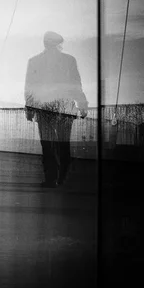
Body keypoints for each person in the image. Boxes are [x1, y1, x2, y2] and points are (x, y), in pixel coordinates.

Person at [24, 31, 87, 188]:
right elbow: (75, 84)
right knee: (62, 145)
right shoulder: (69, 60)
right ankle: (61, 178)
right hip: (64, 108)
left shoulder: (35, 61)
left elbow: (30, 86)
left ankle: (52, 178)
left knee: (48, 144)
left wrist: (30, 108)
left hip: (44, 108)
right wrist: (82, 103)